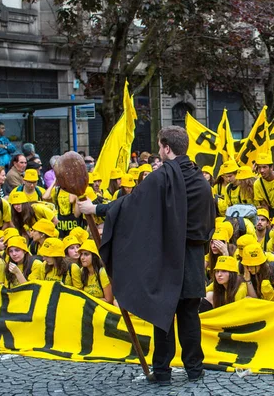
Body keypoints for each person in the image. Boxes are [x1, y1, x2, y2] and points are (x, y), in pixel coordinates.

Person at [81, 126, 215, 385]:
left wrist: (96, 208)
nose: (159, 151)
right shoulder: (200, 179)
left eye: (159, 146)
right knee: (189, 314)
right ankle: (195, 370)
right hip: (193, 258)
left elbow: (131, 204)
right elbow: (208, 221)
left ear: (166, 147)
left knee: (163, 313)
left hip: (170, 256)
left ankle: (163, 372)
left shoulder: (162, 176)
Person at [78, 240, 113, 304]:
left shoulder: (102, 272)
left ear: (94, 256)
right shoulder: (81, 271)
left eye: (86, 254)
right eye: (81, 254)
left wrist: (89, 300)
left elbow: (109, 300)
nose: (82, 257)